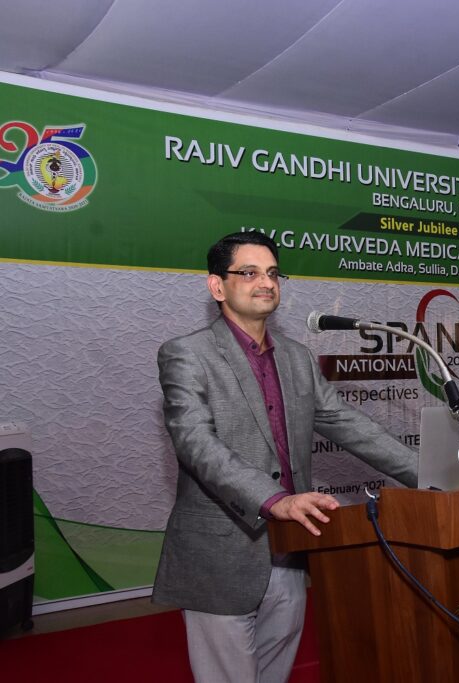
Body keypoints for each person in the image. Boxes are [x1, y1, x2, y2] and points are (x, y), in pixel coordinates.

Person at [153, 231, 417, 683]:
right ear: (217, 286)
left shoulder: (297, 358)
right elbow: (196, 444)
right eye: (249, 272)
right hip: (221, 554)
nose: (266, 282)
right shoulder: (186, 354)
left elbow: (348, 423)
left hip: (289, 550)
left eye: (273, 273)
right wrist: (274, 499)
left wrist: (426, 473)